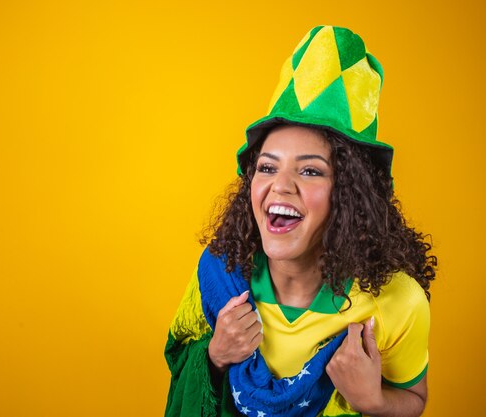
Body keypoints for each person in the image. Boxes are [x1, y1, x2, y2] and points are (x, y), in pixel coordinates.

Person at [164, 25, 437, 417]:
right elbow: (178, 363)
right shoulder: (218, 271)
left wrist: (372, 399)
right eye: (267, 167)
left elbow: (414, 400)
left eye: (310, 172)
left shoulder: (398, 301)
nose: (281, 187)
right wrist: (215, 355)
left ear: (349, 196)